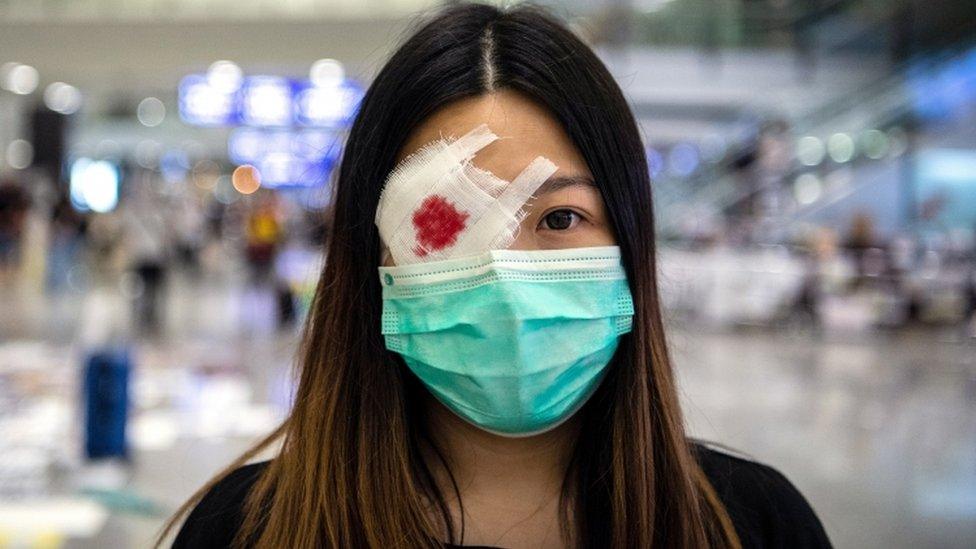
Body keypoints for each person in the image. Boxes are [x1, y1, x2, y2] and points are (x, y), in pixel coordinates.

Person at [159, 3, 832, 548]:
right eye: (444, 227)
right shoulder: (246, 530)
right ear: (374, 260)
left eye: (562, 218)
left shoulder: (753, 525)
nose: (506, 280)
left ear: (631, 239)